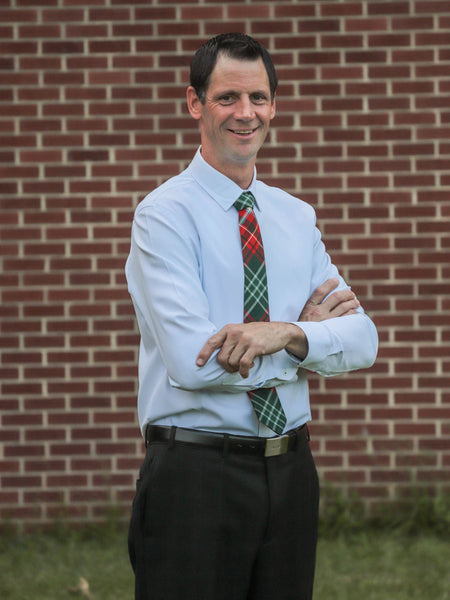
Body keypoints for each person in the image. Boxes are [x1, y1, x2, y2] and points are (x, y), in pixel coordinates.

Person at [126, 32, 378, 600]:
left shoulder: (295, 216)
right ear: (195, 103)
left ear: (273, 105)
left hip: (291, 472)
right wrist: (307, 346)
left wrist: (282, 332)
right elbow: (193, 364)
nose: (246, 114)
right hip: (194, 476)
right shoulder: (164, 217)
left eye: (259, 98)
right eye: (227, 98)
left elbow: (363, 341)